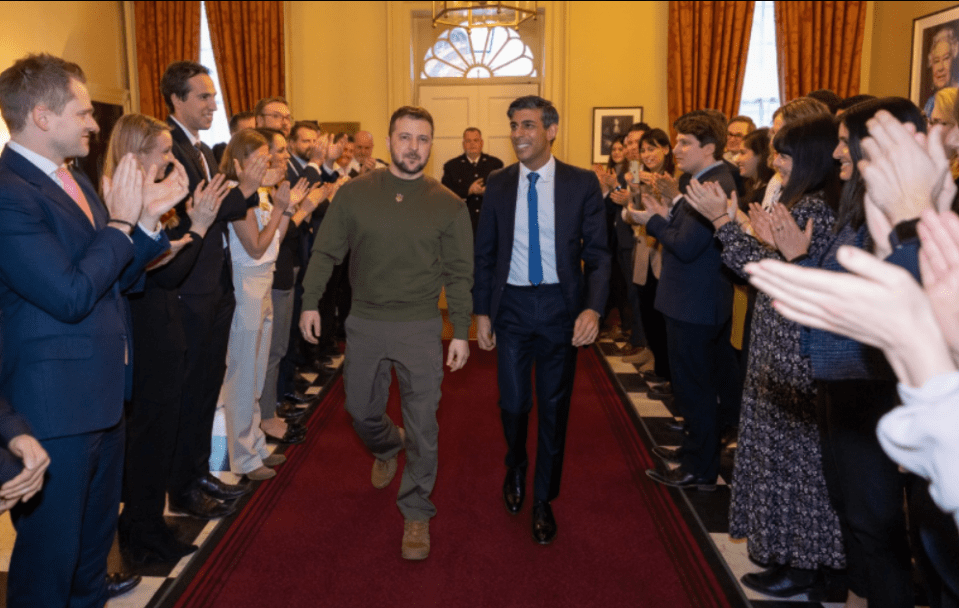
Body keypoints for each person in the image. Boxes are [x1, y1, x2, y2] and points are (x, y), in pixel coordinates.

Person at [0, 53, 174, 607]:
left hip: (101, 397)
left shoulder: (71, 177)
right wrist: (123, 223)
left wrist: (143, 223)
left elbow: (116, 279)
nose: (95, 123)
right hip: (53, 409)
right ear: (43, 117)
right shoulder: (10, 193)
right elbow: (71, 295)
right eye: (82, 112)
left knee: (90, 555)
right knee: (49, 564)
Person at [299, 106, 473, 560]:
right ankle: (386, 444)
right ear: (390, 140)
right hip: (366, 322)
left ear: (431, 145)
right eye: (405, 137)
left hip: (419, 326)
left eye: (422, 139)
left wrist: (460, 329)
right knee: (360, 410)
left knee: (424, 426)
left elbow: (459, 273)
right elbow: (325, 253)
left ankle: (416, 511)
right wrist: (310, 301)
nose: (413, 147)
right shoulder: (354, 194)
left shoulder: (449, 204)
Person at [685, 114, 845, 597]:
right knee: (782, 460)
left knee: (797, 465)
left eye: (786, 154)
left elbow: (771, 274)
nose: (777, 162)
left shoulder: (817, 207)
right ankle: (789, 557)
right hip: (781, 345)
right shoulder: (805, 201)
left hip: (796, 352)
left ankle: (805, 565)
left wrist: (721, 223)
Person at [474, 95, 610, 545]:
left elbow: (599, 254)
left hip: (559, 310)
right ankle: (515, 463)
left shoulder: (580, 183)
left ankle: (542, 500)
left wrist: (592, 307)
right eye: (513, 125)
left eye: (528, 125)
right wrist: (480, 313)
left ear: (551, 130)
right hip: (510, 307)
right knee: (513, 403)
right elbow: (485, 253)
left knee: (554, 408)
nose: (518, 134)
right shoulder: (497, 182)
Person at [113, 113, 229, 568]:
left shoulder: (156, 199)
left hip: (166, 325)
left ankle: (152, 524)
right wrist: (196, 228)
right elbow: (151, 276)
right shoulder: (124, 202)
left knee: (161, 436)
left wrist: (190, 231)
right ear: (136, 152)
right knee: (146, 440)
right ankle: (139, 531)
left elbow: (171, 272)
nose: (169, 158)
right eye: (162, 151)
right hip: (145, 332)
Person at [161, 61, 264, 519]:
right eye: (202, 97)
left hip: (213, 282)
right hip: (189, 286)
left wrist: (242, 192)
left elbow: (219, 206)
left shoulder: (199, 148)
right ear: (176, 100)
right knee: (189, 392)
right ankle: (181, 489)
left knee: (206, 390)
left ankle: (199, 472)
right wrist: (246, 189)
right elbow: (193, 215)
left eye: (213, 97)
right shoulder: (168, 148)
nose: (212, 105)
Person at [632, 113, 741, 491]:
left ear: (708, 147)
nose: (675, 150)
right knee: (691, 387)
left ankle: (700, 468)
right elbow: (684, 231)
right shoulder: (703, 179)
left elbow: (686, 245)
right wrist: (667, 214)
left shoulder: (715, 182)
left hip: (695, 303)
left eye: (684, 143)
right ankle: (694, 451)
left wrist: (651, 221)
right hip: (690, 300)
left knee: (695, 390)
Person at [220, 129, 313, 480]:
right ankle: (242, 458)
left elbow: (276, 237)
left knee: (258, 373)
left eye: (268, 158)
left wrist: (286, 210)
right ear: (240, 163)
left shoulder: (260, 194)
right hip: (245, 287)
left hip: (265, 280)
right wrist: (279, 208)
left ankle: (256, 445)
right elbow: (256, 246)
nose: (268, 164)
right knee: (243, 375)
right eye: (261, 159)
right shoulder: (235, 195)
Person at [442, 127, 504, 235]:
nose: (472, 144)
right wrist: (468, 190)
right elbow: (445, 195)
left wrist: (488, 191)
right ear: (463, 144)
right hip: (462, 225)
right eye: (468, 141)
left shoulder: (495, 164)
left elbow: (504, 192)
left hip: (489, 224)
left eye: (476, 140)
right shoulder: (452, 166)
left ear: (482, 143)